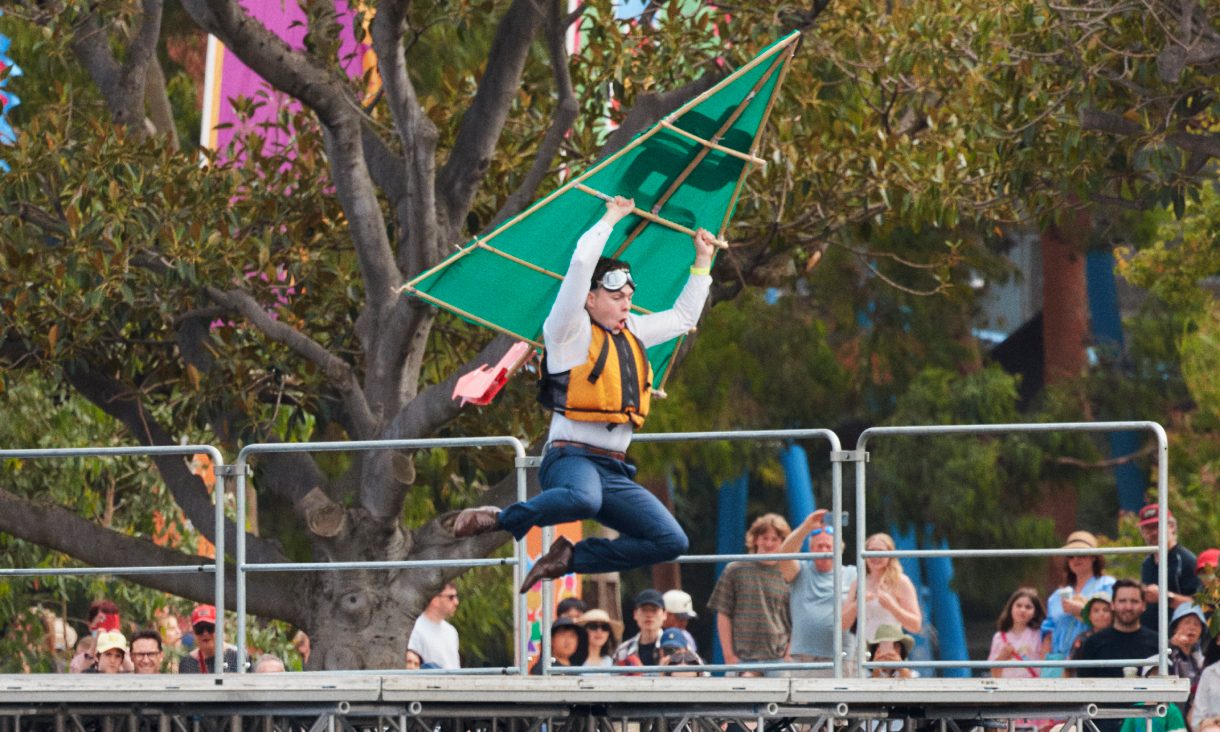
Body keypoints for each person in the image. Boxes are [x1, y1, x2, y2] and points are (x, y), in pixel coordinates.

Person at [452, 196, 717, 592]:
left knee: (671, 541)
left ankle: (571, 558)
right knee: (583, 499)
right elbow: (579, 268)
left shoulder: (635, 334)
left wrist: (702, 261)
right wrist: (610, 217)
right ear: (590, 299)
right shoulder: (567, 331)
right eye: (616, 297)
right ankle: (501, 518)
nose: (626, 304)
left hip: (613, 469)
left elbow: (683, 318)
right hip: (569, 459)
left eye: (628, 298)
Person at [708, 513, 792, 675]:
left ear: (783, 542)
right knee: (739, 700)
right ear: (755, 539)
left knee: (780, 700)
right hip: (742, 658)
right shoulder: (735, 570)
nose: (768, 543)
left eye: (775, 539)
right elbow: (723, 613)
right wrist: (729, 656)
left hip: (778, 658)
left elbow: (797, 616)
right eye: (764, 537)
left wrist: (789, 653)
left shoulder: (789, 572)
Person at [779, 509, 858, 677]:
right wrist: (806, 527)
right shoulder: (800, 572)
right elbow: (783, 556)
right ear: (811, 549)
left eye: (828, 546)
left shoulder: (852, 574)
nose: (824, 550)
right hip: (803, 658)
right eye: (819, 546)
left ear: (839, 549)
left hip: (841, 657)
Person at [1076, 579, 1159, 732]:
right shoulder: (1092, 643)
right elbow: (1082, 692)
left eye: (1134, 601)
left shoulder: (1158, 643)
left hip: (1145, 723)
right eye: (1122, 601)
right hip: (1099, 723)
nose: (1128, 607)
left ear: (1143, 605)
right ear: (1113, 605)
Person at [1047, 530, 1116, 663]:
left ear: (1094, 557)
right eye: (1071, 556)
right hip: (1058, 661)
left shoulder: (1108, 585)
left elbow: (1115, 621)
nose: (1076, 559)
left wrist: (1084, 611)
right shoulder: (1056, 596)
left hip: (1094, 657)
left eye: (1081, 554)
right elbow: (1048, 631)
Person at [848, 532, 922, 642]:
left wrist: (893, 607)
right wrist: (856, 605)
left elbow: (916, 626)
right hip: (862, 650)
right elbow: (842, 624)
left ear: (890, 555)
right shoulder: (858, 583)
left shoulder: (901, 581)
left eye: (880, 552)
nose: (875, 556)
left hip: (889, 649)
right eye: (871, 551)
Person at [1136, 505, 1199, 634]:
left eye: (1157, 526)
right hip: (1150, 638)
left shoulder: (1187, 561)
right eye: (1147, 528)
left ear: (1172, 527)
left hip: (1178, 640)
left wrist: (1165, 597)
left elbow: (1201, 605)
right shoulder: (1147, 563)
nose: (1153, 532)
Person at [988, 587, 1046, 678]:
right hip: (1007, 687)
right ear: (1011, 608)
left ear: (1035, 612)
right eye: (1018, 606)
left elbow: (1045, 665)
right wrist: (1002, 657)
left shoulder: (1038, 635)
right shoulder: (999, 637)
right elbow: (993, 672)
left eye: (1028, 607)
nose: (1023, 610)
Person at [408, 583, 461, 670]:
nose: (456, 602)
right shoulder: (415, 629)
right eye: (451, 597)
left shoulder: (451, 631)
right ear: (434, 599)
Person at [1166, 602, 1206, 715]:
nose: (1192, 627)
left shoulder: (1200, 659)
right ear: (1175, 627)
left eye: (1197, 624)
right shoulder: (1165, 652)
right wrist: (1171, 644)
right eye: (1187, 622)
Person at [614, 589, 669, 668]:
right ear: (635, 614)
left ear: (664, 614)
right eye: (644, 610)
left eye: (654, 610)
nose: (649, 615)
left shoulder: (676, 648)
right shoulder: (623, 651)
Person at [178, 604, 239, 674]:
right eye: (199, 629)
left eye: (210, 627)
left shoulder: (238, 657)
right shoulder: (187, 663)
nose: (205, 633)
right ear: (193, 631)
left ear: (222, 628)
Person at [1067, 593, 1113, 672]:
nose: (1101, 614)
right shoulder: (1082, 639)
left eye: (1105, 610)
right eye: (1096, 611)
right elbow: (1069, 669)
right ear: (1089, 616)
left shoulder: (1118, 637)